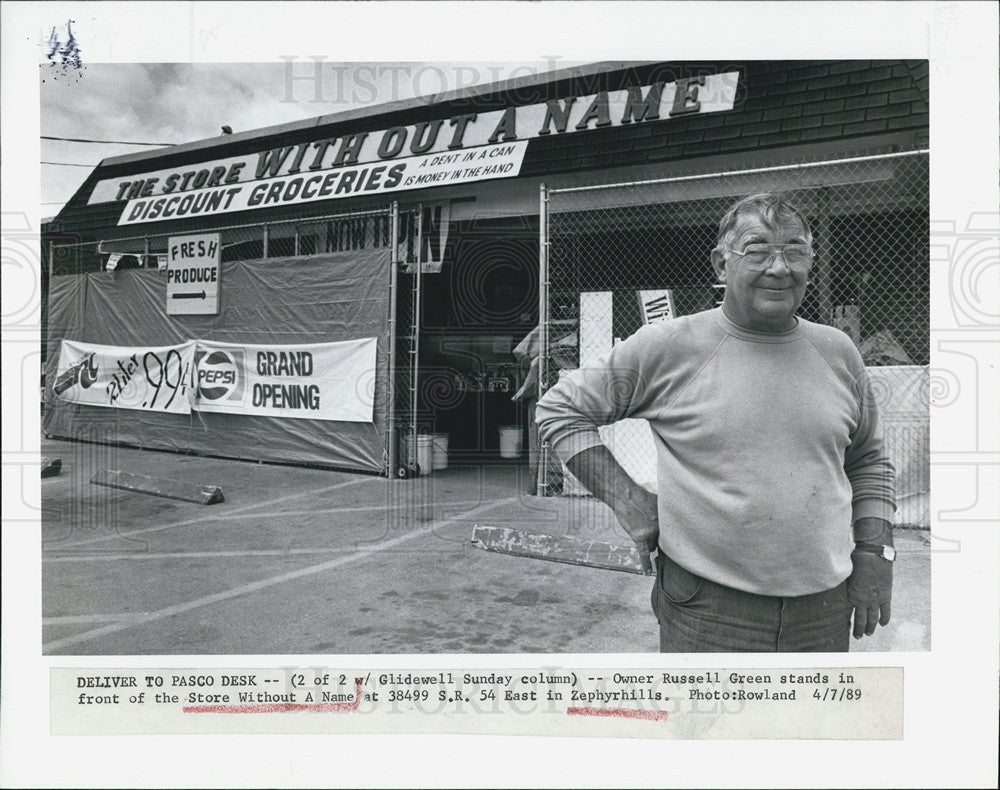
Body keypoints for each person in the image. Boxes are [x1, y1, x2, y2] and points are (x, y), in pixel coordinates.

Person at [535, 193, 896, 652]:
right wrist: (628, 501)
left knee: (810, 725)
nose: (780, 267)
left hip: (823, 611)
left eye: (796, 250)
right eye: (758, 250)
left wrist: (876, 551)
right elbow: (560, 409)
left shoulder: (838, 350)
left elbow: (868, 459)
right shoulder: (670, 346)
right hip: (707, 611)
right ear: (720, 265)